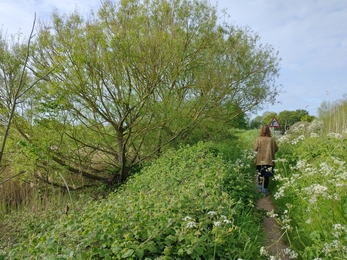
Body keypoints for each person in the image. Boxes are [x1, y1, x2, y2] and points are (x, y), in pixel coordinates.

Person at [253, 125, 278, 195]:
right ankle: (265, 190)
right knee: (266, 176)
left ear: (261, 130)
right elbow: (276, 149)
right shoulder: (272, 139)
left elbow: (255, 149)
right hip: (269, 161)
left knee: (260, 175)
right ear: (269, 131)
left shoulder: (258, 139)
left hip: (259, 161)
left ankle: (259, 188)